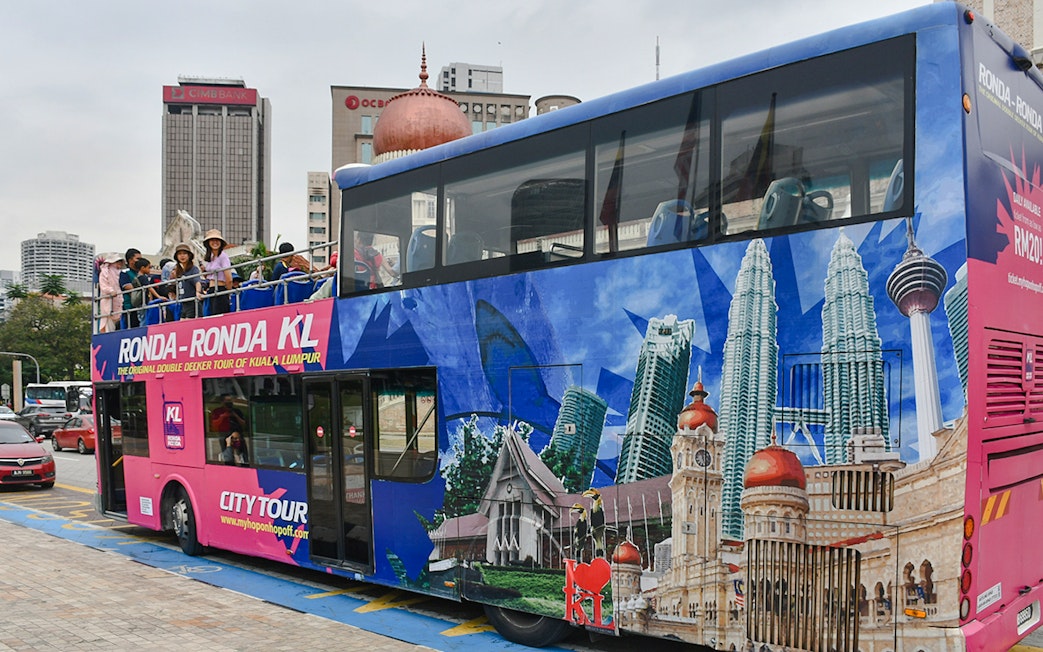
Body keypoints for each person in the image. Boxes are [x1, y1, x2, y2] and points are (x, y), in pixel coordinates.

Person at [202, 229, 233, 315]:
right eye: (212, 240)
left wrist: (228, 292)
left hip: (220, 290)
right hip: (211, 290)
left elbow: (229, 278)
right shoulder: (211, 257)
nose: (215, 242)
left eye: (217, 240)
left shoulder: (223, 256)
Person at [172, 243, 202, 319]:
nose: (182, 256)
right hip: (183, 303)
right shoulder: (178, 270)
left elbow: (197, 280)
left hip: (192, 302)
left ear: (189, 255)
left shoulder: (193, 268)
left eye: (184, 253)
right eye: (179, 254)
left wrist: (198, 292)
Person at [96, 253, 123, 333]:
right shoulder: (104, 272)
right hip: (108, 301)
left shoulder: (119, 273)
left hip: (119, 300)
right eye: (117, 261)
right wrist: (111, 291)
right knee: (109, 324)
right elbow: (103, 286)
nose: (119, 264)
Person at [119, 248, 141, 328]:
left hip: (142, 308)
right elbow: (127, 287)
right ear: (130, 260)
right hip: (130, 308)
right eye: (138, 258)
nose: (140, 261)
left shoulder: (141, 273)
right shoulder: (125, 272)